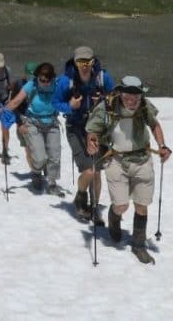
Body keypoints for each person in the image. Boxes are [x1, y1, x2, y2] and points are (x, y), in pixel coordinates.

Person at [86, 75, 171, 264]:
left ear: (141, 96)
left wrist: (162, 145)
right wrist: (91, 143)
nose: (132, 101)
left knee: (142, 204)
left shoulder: (144, 106)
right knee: (122, 205)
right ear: (120, 93)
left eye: (136, 97)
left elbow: (154, 124)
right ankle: (114, 217)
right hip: (115, 159)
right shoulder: (106, 107)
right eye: (128, 97)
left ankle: (138, 245)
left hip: (142, 158)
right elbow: (93, 130)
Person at [56, 46, 114, 223]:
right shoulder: (66, 81)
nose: (84, 66)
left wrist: (104, 100)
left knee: (97, 171)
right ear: (75, 62)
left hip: (97, 129)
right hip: (76, 127)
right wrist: (70, 107)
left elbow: (114, 100)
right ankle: (81, 197)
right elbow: (55, 103)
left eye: (87, 62)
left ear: (93, 61)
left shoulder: (103, 78)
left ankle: (95, 207)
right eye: (80, 62)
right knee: (88, 170)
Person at [5, 62, 69, 195]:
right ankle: (36, 173)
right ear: (37, 77)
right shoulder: (31, 85)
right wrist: (3, 112)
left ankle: (52, 182)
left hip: (52, 122)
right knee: (39, 157)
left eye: (48, 80)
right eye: (42, 79)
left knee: (55, 155)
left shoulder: (57, 85)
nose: (45, 83)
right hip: (33, 122)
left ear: (52, 78)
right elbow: (16, 102)